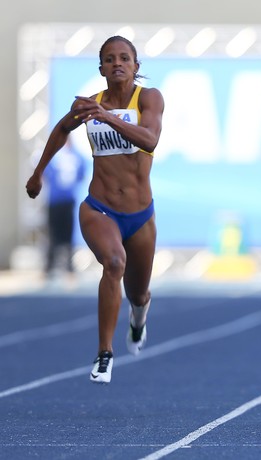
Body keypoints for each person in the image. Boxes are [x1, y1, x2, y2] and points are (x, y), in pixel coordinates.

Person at [26, 36, 164, 384]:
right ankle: (105, 353)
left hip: (140, 214)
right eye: (108, 59)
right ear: (101, 68)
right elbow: (61, 129)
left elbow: (149, 140)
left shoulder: (148, 98)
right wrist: (39, 172)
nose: (117, 63)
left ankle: (138, 318)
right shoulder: (89, 105)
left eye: (124, 58)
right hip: (99, 208)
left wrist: (106, 116)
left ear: (136, 66)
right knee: (114, 262)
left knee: (139, 292)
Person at [41, 140, 86, 281]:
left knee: (65, 234)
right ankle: (51, 267)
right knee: (54, 233)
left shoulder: (65, 156)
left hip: (64, 200)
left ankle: (66, 267)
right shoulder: (61, 156)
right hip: (57, 200)